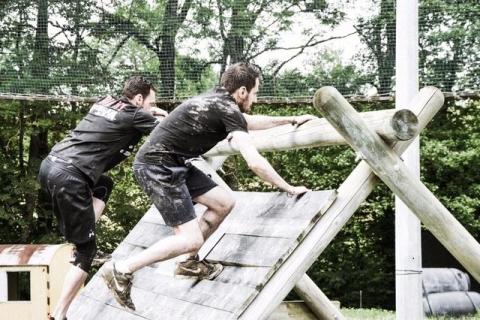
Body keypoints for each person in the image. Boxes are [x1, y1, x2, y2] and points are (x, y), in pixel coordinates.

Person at [101, 62, 316, 310]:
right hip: (157, 167)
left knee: (224, 202)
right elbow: (255, 162)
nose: (255, 99)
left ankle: (188, 263)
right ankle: (122, 269)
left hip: (173, 163)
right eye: (255, 93)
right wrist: (288, 187)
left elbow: (247, 121)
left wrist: (291, 120)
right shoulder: (225, 107)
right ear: (242, 91)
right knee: (190, 239)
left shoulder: (217, 101)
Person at [37, 76, 168, 320]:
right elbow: (170, 129)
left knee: (104, 185)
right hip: (71, 177)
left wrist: (153, 110)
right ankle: (59, 315)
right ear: (139, 99)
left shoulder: (104, 101)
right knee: (86, 253)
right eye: (151, 102)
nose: (151, 107)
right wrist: (157, 113)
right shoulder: (137, 115)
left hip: (50, 166)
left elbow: (122, 118)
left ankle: (84, 238)